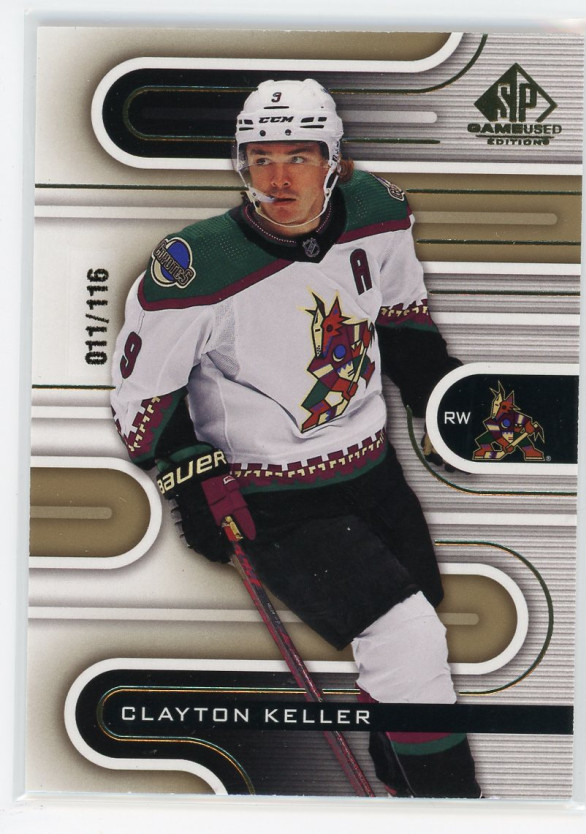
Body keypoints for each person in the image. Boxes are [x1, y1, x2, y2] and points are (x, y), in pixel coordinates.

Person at [111, 78, 481, 799]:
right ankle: (453, 810)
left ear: (336, 162)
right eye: (261, 158)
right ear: (241, 163)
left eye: (299, 157)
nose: (278, 179)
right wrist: (191, 477)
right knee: (409, 639)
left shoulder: (377, 212)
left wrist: (451, 399)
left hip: (373, 472)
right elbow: (143, 395)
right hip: (271, 497)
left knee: (413, 642)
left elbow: (402, 323)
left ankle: (401, 792)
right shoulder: (196, 265)